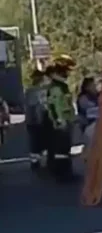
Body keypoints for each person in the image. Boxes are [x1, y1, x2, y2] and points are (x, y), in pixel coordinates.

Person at [45, 54, 77, 182]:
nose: (68, 74)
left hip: (64, 120)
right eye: (66, 71)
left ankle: (64, 172)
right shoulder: (57, 87)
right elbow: (56, 105)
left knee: (64, 149)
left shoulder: (61, 86)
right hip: (61, 122)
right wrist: (60, 120)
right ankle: (63, 174)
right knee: (61, 150)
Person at [24, 70, 48, 169]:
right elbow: (35, 107)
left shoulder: (35, 90)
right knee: (36, 142)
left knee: (38, 142)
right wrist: (39, 120)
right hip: (35, 120)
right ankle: (36, 162)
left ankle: (38, 161)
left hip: (36, 120)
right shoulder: (33, 91)